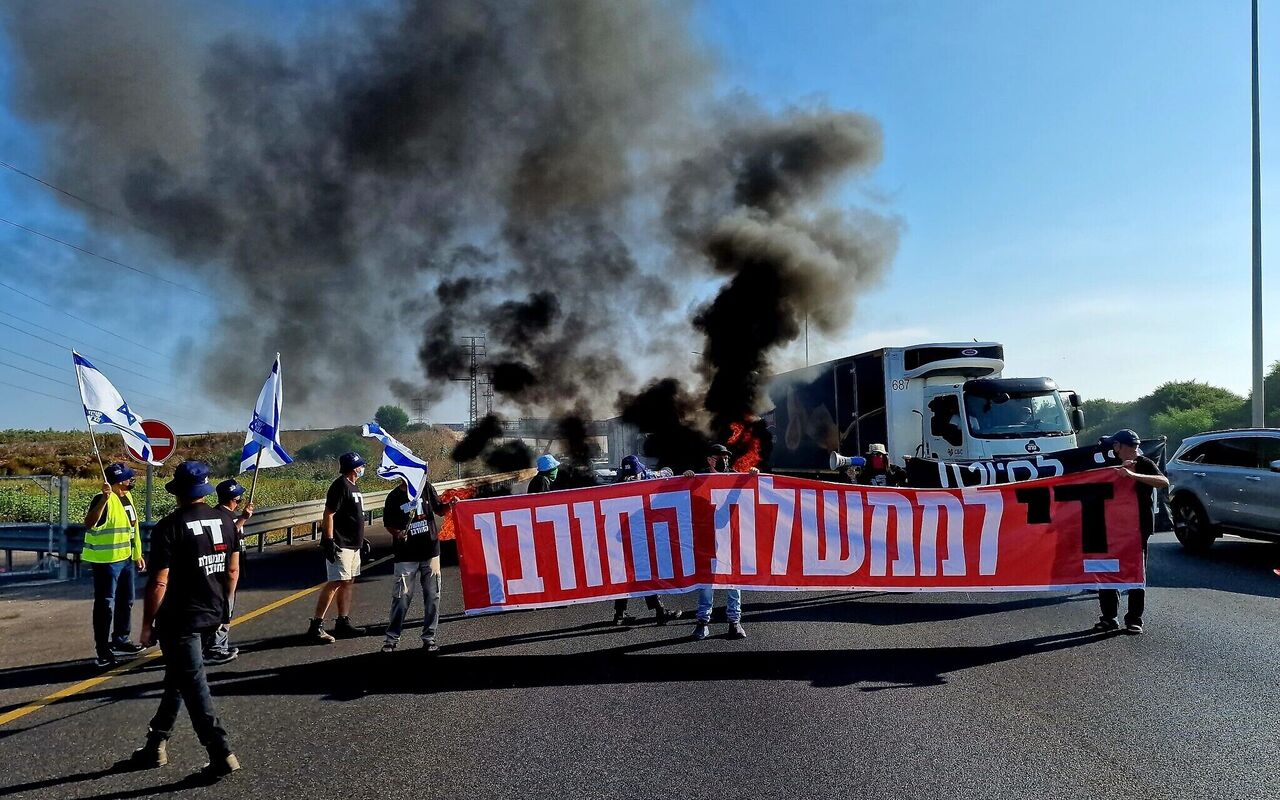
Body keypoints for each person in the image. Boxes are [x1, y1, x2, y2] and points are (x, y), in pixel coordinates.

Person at [128, 461, 240, 778]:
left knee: (193, 685)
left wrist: (147, 624)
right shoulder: (226, 520)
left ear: (178, 492)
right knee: (178, 678)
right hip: (213, 612)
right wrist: (224, 607)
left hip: (181, 619)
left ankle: (220, 752)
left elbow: (159, 582)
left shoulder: (170, 526)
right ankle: (156, 744)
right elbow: (232, 571)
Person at [1093, 429, 1169, 635]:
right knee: (1107, 570)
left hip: (1137, 527)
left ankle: (1134, 619)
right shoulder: (1109, 463)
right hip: (1110, 527)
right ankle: (1109, 618)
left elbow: (1163, 482)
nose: (1113, 450)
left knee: (1136, 572)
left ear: (1120, 446)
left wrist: (1133, 475)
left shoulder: (1143, 463)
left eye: (1115, 446)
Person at [82, 462, 146, 667]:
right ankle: (103, 650)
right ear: (120, 481)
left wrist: (137, 555)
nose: (132, 480)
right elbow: (89, 522)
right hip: (106, 561)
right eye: (129, 477)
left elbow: (133, 529)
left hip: (125, 558)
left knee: (126, 600)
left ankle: (121, 639)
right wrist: (104, 500)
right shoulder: (103, 499)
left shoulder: (128, 497)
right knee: (105, 605)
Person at [381, 476, 454, 653]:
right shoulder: (394, 496)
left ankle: (429, 637)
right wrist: (397, 533)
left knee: (432, 596)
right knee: (401, 597)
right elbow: (388, 523)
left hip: (430, 552)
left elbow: (439, 510)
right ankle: (392, 638)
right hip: (405, 554)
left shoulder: (427, 488)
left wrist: (450, 504)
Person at [684, 443, 748, 641]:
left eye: (726, 457)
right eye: (720, 457)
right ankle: (702, 623)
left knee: (733, 580)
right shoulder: (699, 478)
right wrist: (685, 479)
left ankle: (734, 622)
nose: (724, 460)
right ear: (709, 459)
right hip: (707, 539)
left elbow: (750, 490)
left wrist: (753, 475)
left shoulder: (734, 475)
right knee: (706, 583)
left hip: (730, 537)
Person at [611, 455, 683, 626]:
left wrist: (674, 473)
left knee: (638, 573)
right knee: (634, 573)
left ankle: (620, 615)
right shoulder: (617, 483)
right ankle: (659, 612)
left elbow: (668, 473)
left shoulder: (648, 476)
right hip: (627, 536)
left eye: (633, 475)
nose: (630, 479)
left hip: (642, 533)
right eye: (627, 476)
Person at [306, 452, 367, 643]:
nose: (362, 468)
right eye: (360, 465)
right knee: (336, 581)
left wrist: (361, 538)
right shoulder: (340, 485)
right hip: (341, 543)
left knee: (348, 581)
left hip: (353, 543)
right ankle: (316, 625)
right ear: (353, 468)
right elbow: (329, 513)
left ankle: (343, 621)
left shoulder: (354, 486)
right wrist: (329, 539)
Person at [203, 479, 254, 665]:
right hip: (224, 572)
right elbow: (227, 535)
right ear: (234, 498)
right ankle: (217, 648)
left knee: (225, 609)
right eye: (238, 498)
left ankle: (216, 645)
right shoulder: (221, 517)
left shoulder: (226, 515)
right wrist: (243, 519)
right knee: (224, 610)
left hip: (228, 570)